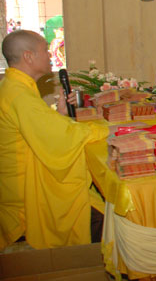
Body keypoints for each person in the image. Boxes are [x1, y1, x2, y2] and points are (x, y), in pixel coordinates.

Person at [0, 30, 109, 250]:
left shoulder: (15, 87)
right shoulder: (19, 95)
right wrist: (107, 130)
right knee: (103, 220)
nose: (50, 55)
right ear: (28, 56)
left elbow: (42, 129)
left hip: (23, 184)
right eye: (45, 51)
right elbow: (62, 138)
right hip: (27, 196)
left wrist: (60, 115)